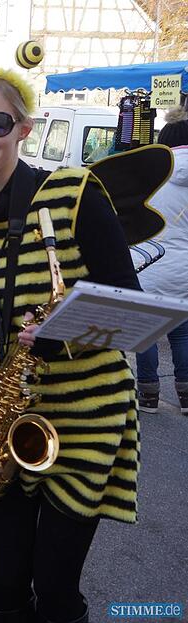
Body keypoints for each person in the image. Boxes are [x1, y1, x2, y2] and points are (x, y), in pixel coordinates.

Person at [0, 67, 149, 623]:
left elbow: (127, 304)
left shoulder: (74, 191)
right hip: (6, 423)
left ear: (24, 130)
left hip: (84, 417)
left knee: (57, 590)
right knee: (4, 590)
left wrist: (59, 337)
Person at [136, 109, 188, 415]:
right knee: (182, 332)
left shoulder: (153, 177)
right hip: (185, 270)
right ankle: (186, 397)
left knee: (148, 331)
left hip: (152, 263)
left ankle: (148, 396)